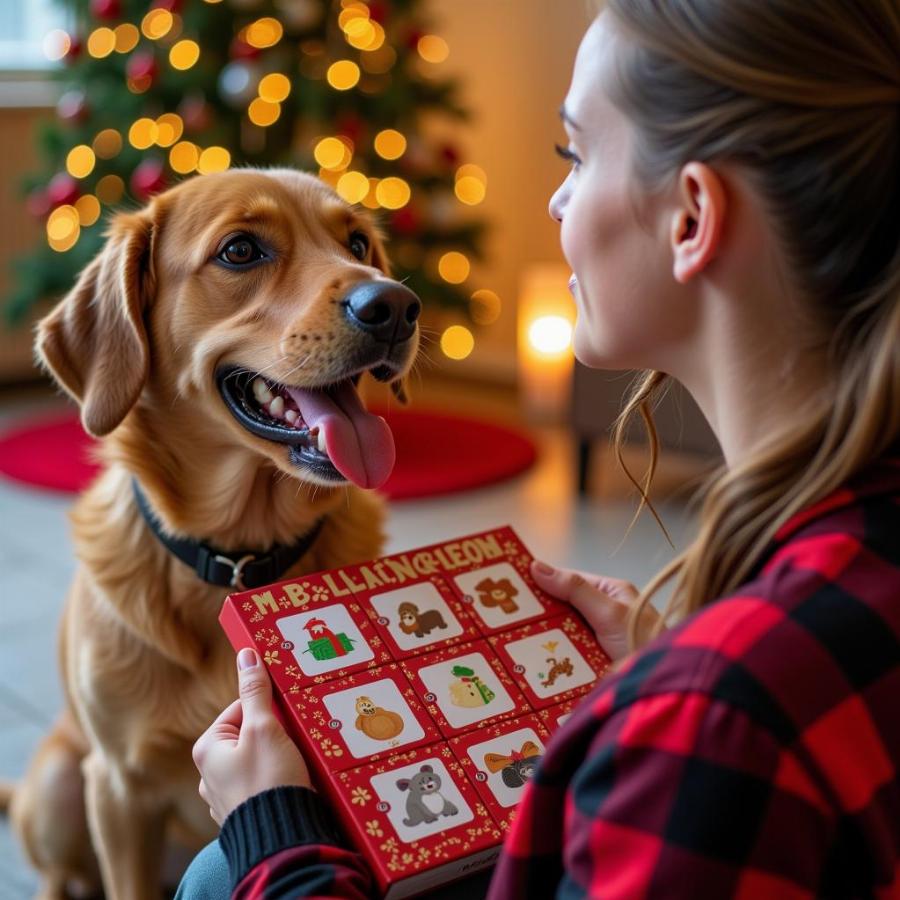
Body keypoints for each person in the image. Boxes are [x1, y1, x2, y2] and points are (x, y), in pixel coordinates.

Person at [179, 0, 900, 896]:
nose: (558, 196)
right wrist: (665, 658)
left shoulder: (717, 720)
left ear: (691, 217)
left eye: (575, 155)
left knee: (218, 874)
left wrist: (274, 834)